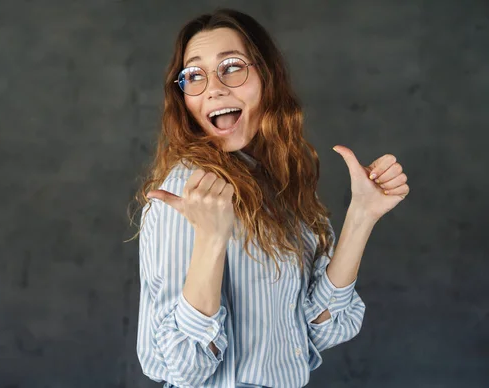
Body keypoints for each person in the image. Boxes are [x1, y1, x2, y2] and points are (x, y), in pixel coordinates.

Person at [130, 8, 410, 388]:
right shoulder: (189, 191)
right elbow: (183, 368)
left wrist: (362, 215)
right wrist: (211, 240)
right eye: (194, 75)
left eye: (231, 66)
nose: (213, 87)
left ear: (267, 76)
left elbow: (320, 331)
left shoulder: (283, 186)